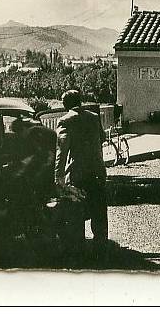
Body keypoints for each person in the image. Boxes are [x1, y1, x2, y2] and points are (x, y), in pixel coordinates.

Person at [54, 90, 108, 249]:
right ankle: (101, 246)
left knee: (76, 210)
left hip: (78, 173)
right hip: (97, 171)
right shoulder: (94, 117)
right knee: (98, 209)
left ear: (65, 105)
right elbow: (102, 138)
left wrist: (58, 176)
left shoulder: (65, 121)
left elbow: (61, 151)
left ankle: (78, 247)